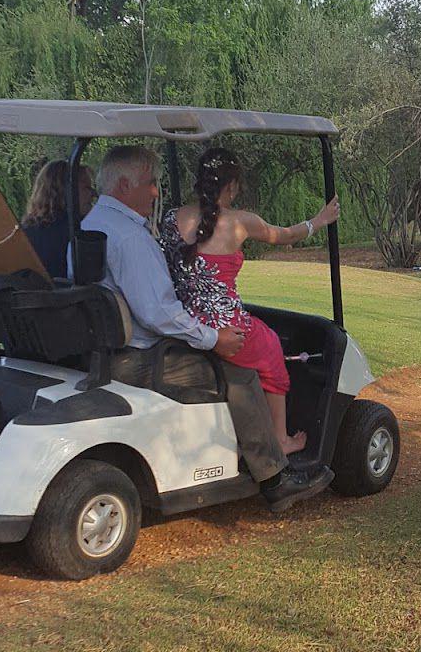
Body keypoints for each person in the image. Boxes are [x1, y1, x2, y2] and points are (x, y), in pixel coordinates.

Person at [80, 144, 330, 513]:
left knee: (239, 350)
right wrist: (214, 338)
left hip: (113, 345)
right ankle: (274, 476)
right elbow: (158, 314)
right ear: (122, 184)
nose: (154, 191)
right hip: (143, 355)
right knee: (240, 371)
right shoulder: (130, 237)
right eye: (149, 183)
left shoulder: (94, 222)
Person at [160, 146, 339, 458]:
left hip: (185, 319)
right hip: (225, 326)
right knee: (271, 347)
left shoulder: (172, 218)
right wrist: (319, 220)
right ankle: (280, 439)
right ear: (231, 186)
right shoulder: (241, 222)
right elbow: (286, 235)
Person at [22, 159, 94, 278]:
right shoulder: (80, 232)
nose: (93, 194)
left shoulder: (26, 231)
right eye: (87, 187)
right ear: (66, 190)